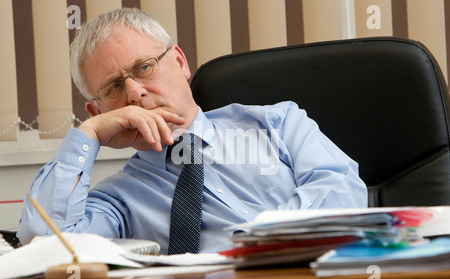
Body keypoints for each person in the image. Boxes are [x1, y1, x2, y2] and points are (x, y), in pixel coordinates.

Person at [17, 8, 367, 254]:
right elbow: (46, 246)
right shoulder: (119, 199)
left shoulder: (277, 124)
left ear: (180, 63)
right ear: (98, 110)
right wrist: (88, 135)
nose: (135, 92)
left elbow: (342, 190)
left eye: (144, 67)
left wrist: (255, 245)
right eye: (112, 88)